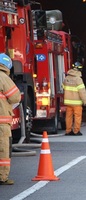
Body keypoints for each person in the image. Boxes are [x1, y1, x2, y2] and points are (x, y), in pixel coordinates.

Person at [0, 53, 21, 185]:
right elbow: (15, 97)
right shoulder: (3, 77)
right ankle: (2, 177)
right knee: (3, 149)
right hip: (1, 122)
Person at [63, 62, 86, 136]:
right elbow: (82, 92)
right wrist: (85, 101)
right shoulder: (78, 79)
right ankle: (76, 131)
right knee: (77, 116)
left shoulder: (66, 78)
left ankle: (68, 130)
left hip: (68, 102)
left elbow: (63, 88)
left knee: (68, 116)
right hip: (77, 103)